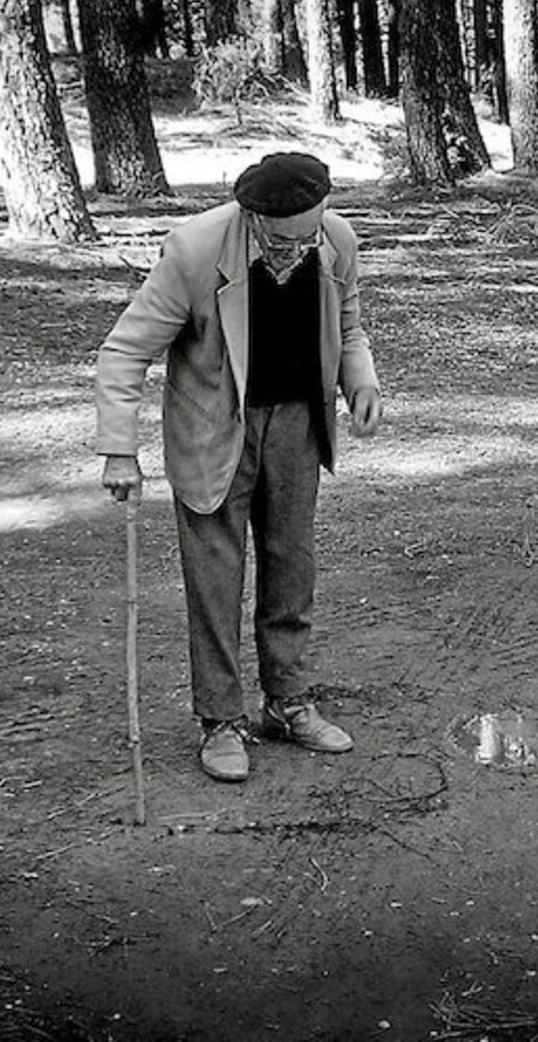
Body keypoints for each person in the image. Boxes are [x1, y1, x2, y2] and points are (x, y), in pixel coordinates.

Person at [95, 151, 383, 783]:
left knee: (291, 570)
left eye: (306, 236)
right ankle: (221, 721)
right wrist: (121, 448)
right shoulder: (195, 251)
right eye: (279, 241)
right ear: (250, 219)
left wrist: (360, 380)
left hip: (297, 426)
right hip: (213, 431)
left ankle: (287, 702)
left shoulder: (334, 240)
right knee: (216, 582)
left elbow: (350, 322)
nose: (294, 252)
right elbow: (123, 352)